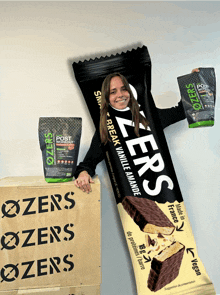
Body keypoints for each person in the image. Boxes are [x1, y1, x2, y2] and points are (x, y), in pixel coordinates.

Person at [74, 69, 199, 193]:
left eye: (124, 89)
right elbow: (87, 164)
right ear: (106, 97)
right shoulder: (107, 128)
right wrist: (83, 174)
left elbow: (181, 111)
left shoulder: (148, 117)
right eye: (113, 92)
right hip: (133, 198)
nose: (120, 95)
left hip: (165, 191)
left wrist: (194, 81)